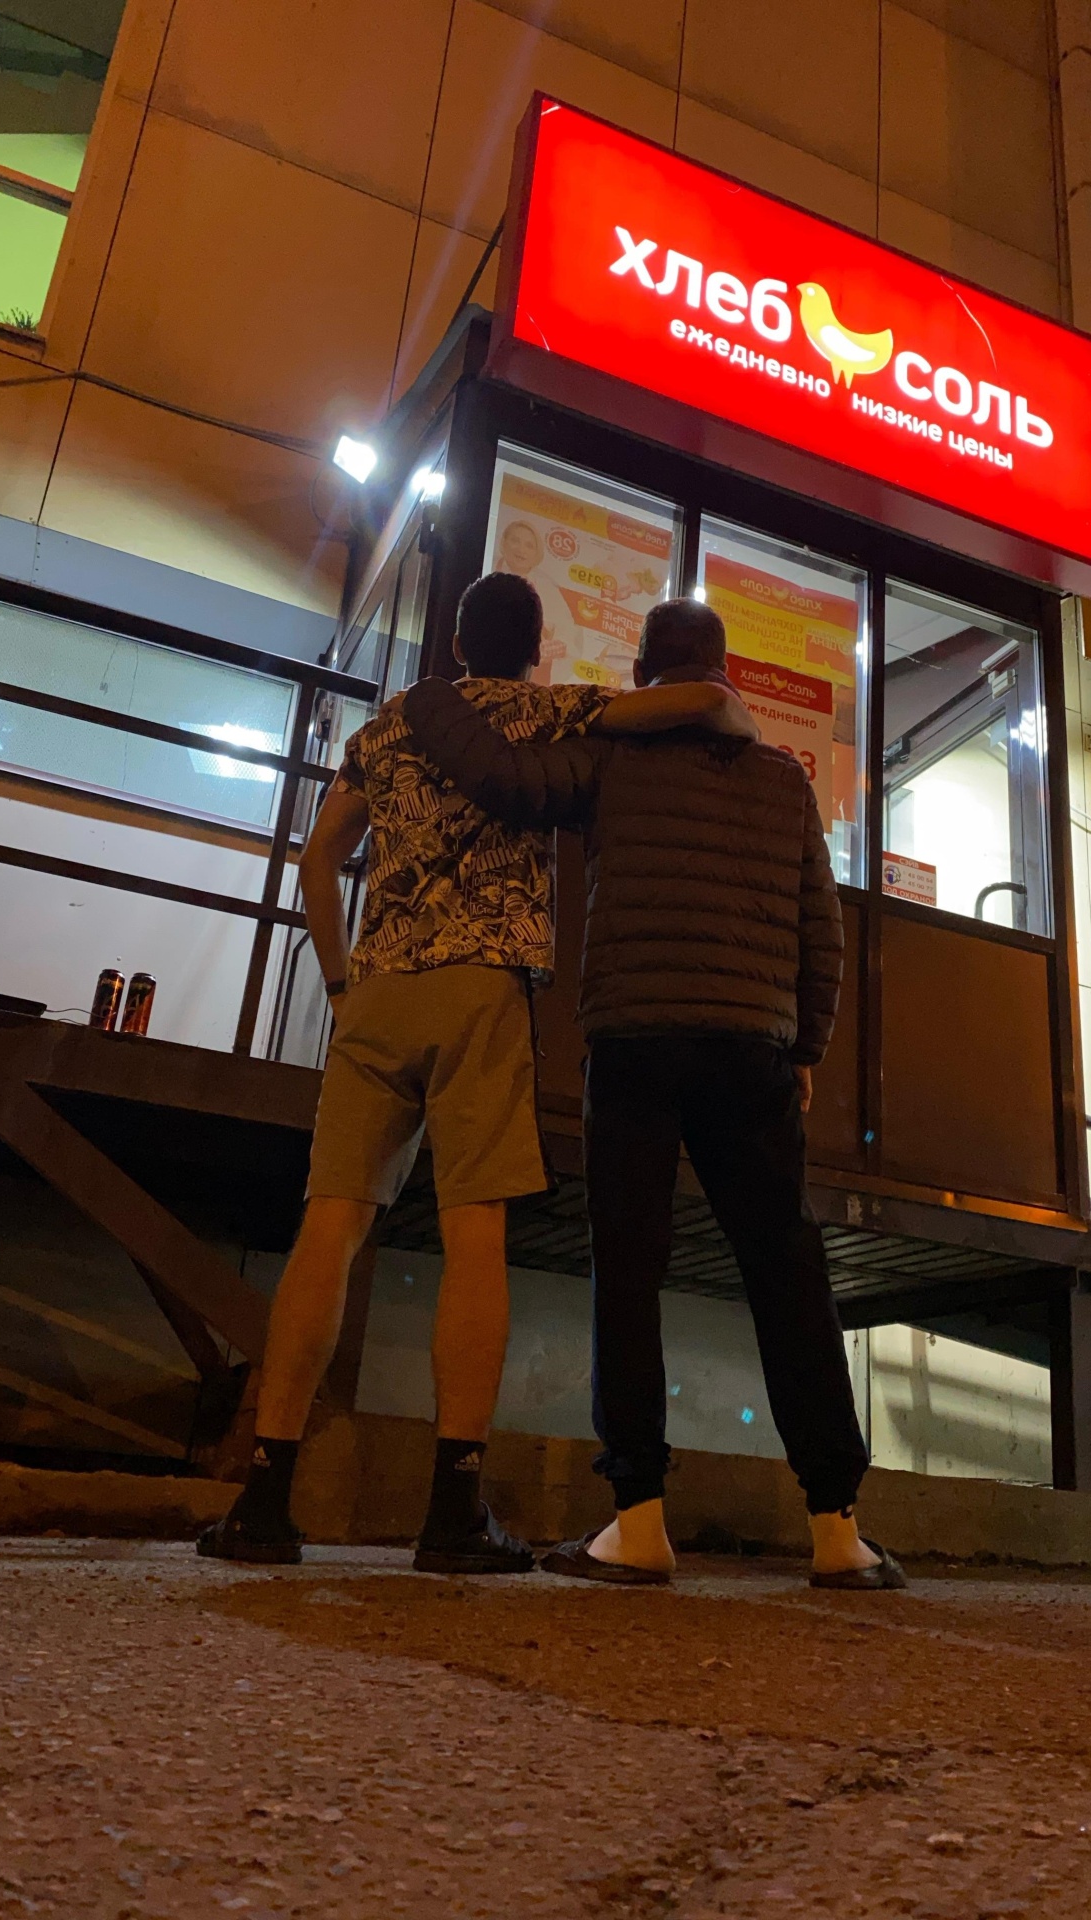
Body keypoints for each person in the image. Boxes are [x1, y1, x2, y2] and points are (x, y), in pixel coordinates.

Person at [197, 572, 756, 1572]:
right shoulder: (543, 711)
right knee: (475, 1233)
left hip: (378, 991)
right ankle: (452, 1510)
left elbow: (320, 859)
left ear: (455, 644)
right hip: (482, 990)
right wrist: (722, 701)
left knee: (330, 1226)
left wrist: (340, 979)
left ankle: (264, 1500)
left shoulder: (386, 727)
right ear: (534, 648)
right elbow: (688, 705)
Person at [402, 598, 905, 1590]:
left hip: (635, 1039)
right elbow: (823, 929)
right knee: (786, 1271)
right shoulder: (784, 781)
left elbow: (507, 780)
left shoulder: (610, 758)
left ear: (642, 678)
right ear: (724, 675)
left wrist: (432, 700)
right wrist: (803, 1045)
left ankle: (636, 1522)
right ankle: (837, 1529)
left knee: (628, 1273)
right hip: (751, 1049)